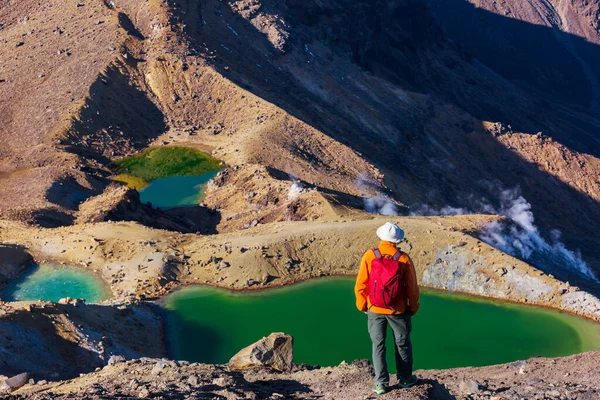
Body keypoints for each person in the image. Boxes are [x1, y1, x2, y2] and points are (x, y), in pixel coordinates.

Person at [354, 222, 420, 395]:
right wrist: (413, 307)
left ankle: (381, 383)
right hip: (398, 310)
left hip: (374, 308)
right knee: (402, 343)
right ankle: (405, 379)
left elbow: (361, 284)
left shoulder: (370, 255)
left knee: (378, 345)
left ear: (381, 236)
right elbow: (412, 288)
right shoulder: (403, 259)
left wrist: (362, 304)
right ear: (397, 239)